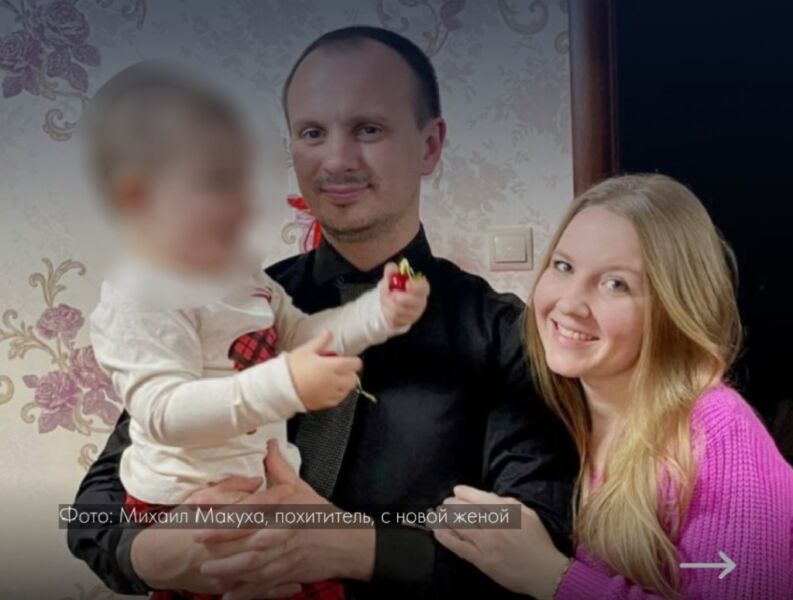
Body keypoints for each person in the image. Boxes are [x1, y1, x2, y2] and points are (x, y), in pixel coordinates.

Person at [67, 26, 578, 600]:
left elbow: (534, 538)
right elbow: (93, 511)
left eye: (369, 129)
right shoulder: (226, 300)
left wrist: (352, 544)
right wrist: (153, 555)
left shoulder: (506, 335)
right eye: (312, 133)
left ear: (430, 145)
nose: (336, 160)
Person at [81, 61, 430, 600]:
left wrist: (376, 315)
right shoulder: (143, 294)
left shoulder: (246, 279)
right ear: (137, 198)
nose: (246, 203)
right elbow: (160, 415)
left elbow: (302, 336)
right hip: (184, 510)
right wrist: (285, 385)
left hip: (266, 500)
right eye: (216, 181)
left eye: (249, 179)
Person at [434, 174, 793, 600]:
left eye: (615, 284)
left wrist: (552, 577)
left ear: (672, 307)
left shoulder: (719, 434)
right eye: (563, 266)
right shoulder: (552, 408)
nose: (570, 304)